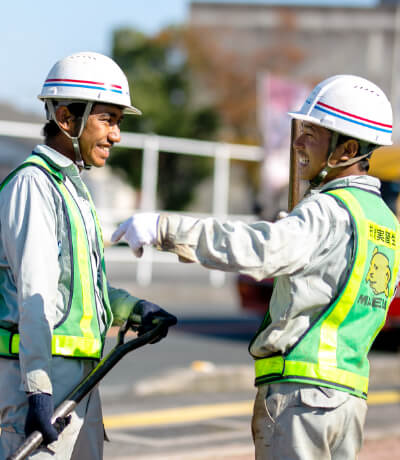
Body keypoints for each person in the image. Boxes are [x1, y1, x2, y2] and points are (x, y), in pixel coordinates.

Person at [111, 74, 400, 459]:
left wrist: (166, 229)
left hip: (302, 395)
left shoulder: (326, 210)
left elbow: (258, 250)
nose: (298, 142)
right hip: (347, 402)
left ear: (346, 149)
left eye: (311, 134)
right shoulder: (384, 222)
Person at [0, 51, 177, 459]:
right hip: (40, 381)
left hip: (80, 381)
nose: (116, 135)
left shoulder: (72, 189)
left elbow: (81, 288)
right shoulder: (34, 187)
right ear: (66, 119)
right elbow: (35, 297)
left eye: (118, 122)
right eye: (108, 120)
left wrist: (135, 309)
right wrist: (40, 393)